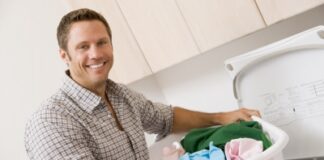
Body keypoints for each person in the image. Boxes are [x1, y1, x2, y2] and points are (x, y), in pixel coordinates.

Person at [24, 8, 260, 160]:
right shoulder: (50, 123)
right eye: (83, 46)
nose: (96, 54)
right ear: (64, 55)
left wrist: (221, 117)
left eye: (102, 42)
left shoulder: (120, 95)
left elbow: (166, 119)